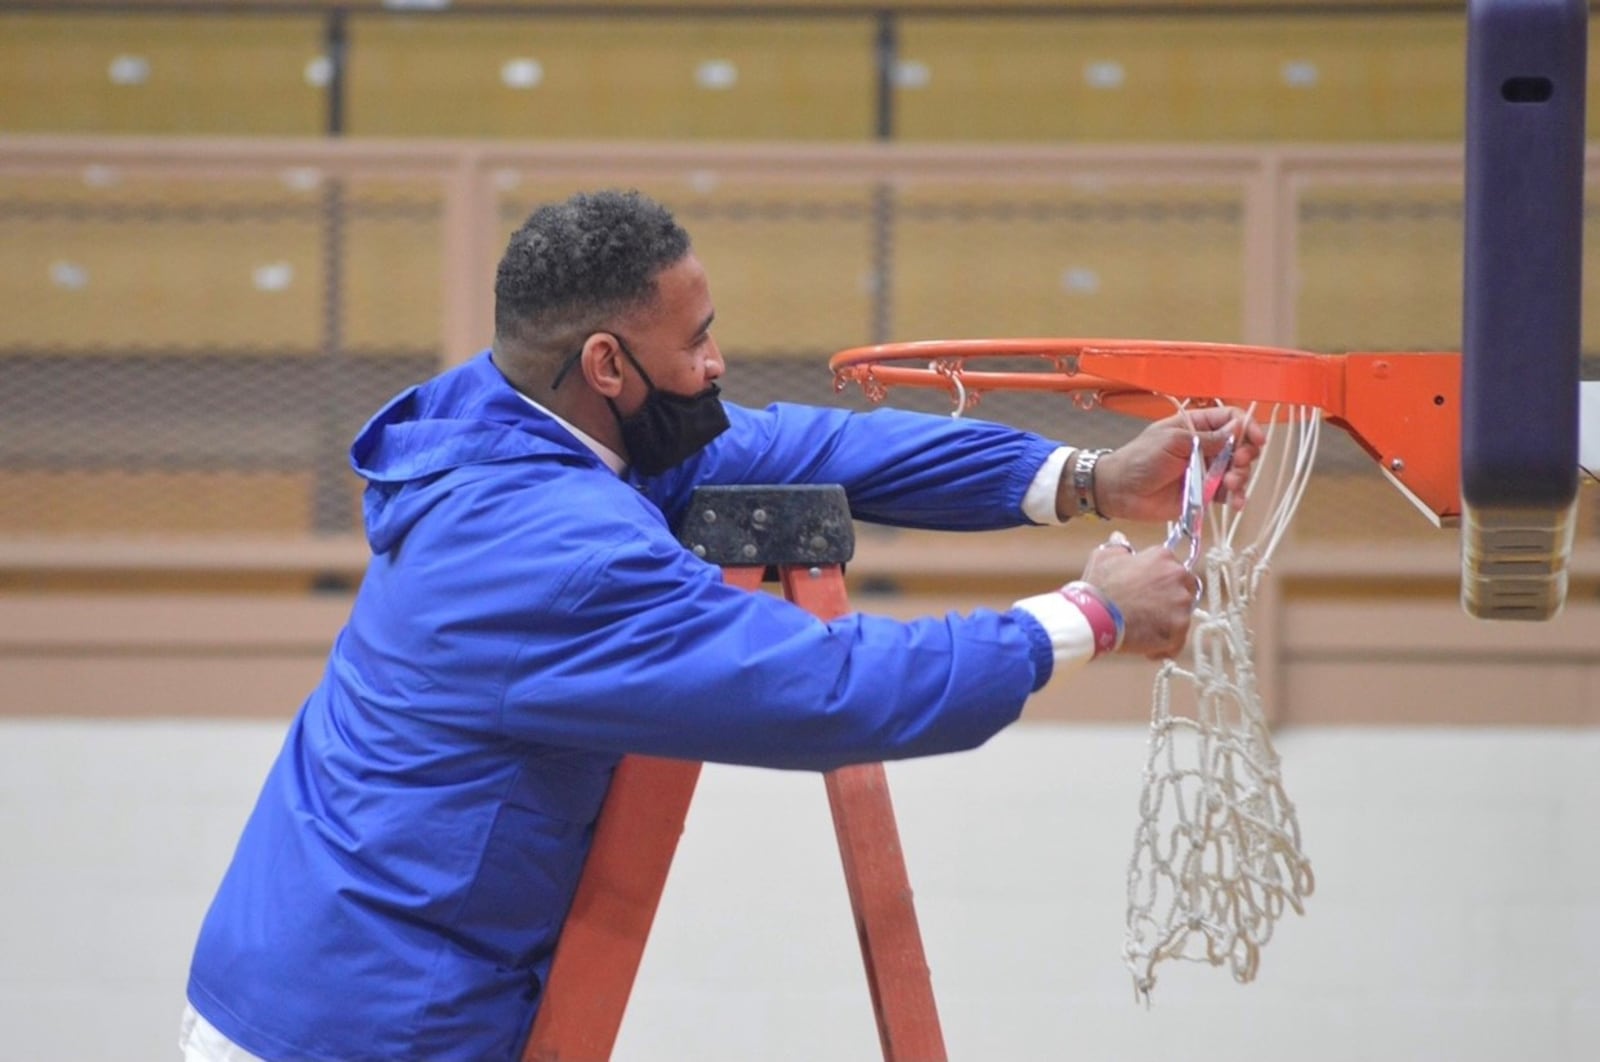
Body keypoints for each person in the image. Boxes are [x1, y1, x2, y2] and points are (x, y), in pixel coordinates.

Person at [181, 189, 1262, 1062]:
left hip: (318, 977)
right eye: (695, 343)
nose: (716, 366)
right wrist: (1087, 617)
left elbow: (814, 444)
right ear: (608, 364)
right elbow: (827, 688)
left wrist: (1088, 477)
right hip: (359, 1030)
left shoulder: (513, 423)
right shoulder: (553, 551)